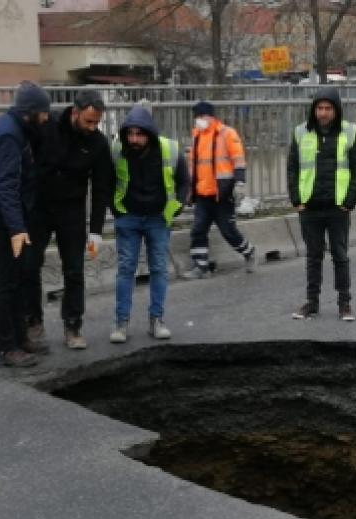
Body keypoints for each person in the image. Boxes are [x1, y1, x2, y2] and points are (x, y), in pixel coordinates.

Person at [23, 90, 115, 351]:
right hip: (39, 207)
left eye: (96, 122)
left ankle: (73, 324)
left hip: (71, 211)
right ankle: (33, 320)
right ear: (75, 112)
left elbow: (100, 188)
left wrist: (96, 230)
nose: (92, 127)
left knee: (74, 270)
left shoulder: (97, 143)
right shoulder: (47, 126)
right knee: (30, 265)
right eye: (88, 121)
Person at [0, 81, 52, 368]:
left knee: (18, 279)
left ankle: (20, 338)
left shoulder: (18, 129)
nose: (46, 118)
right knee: (6, 282)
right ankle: (5, 347)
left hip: (10, 217)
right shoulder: (9, 136)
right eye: (43, 113)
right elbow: (4, 187)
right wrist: (17, 229)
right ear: (30, 112)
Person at [108, 104, 189, 344]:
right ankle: (121, 324)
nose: (134, 139)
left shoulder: (170, 150)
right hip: (128, 217)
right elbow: (107, 181)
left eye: (139, 134)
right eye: (130, 134)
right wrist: (116, 212)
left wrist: (175, 209)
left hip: (157, 218)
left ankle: (157, 320)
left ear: (149, 134)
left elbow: (184, 182)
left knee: (158, 269)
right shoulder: (117, 150)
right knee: (125, 270)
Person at [286, 88, 356, 322]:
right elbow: (292, 168)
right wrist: (296, 200)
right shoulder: (301, 132)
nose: (323, 113)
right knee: (313, 257)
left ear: (336, 110)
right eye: (319, 108)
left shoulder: (350, 132)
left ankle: (344, 303)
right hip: (309, 206)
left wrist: (349, 202)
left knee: (340, 256)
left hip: (337, 207)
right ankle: (312, 302)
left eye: (328, 108)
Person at [184, 100, 256, 279]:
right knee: (198, 229)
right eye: (197, 117)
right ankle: (201, 267)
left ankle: (249, 252)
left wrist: (239, 183)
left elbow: (238, 159)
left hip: (222, 194)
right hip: (203, 194)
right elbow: (193, 165)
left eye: (202, 116)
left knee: (228, 231)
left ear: (212, 116)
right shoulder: (196, 136)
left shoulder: (226, 133)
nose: (200, 120)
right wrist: (189, 189)